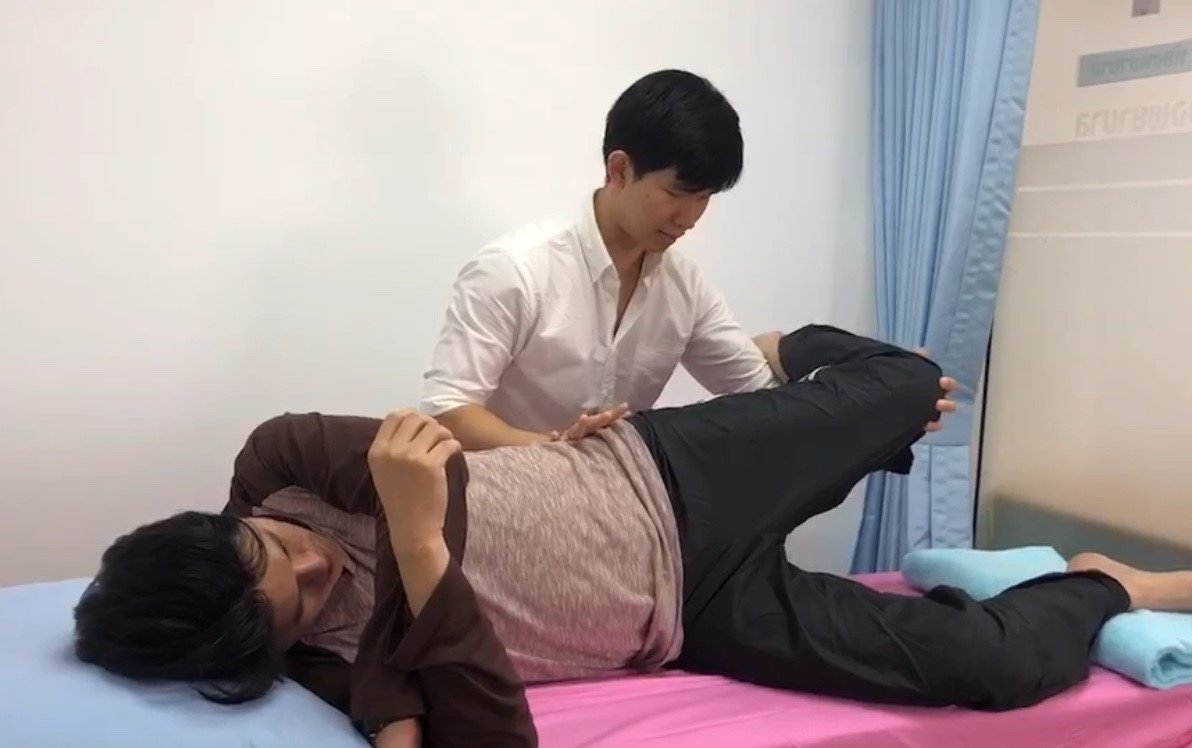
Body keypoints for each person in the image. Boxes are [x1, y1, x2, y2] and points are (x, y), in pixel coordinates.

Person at [72, 326, 1189, 748]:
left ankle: (790, 348)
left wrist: (404, 650)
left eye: (277, 552)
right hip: (691, 618)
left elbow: (438, 470)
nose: (317, 564)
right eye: (304, 600)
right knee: (989, 670)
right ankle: (1107, 584)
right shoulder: (314, 669)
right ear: (265, 652)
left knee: (908, 385)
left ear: (222, 527)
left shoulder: (275, 463)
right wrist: (411, 565)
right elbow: (495, 735)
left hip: (668, 470)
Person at [419, 68, 955, 449]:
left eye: (705, 198)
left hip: (616, 514)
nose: (691, 217)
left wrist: (883, 400)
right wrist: (558, 453)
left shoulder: (683, 288)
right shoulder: (515, 270)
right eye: (677, 194)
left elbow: (762, 395)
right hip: (504, 503)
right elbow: (449, 411)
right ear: (619, 169)